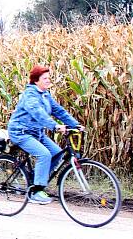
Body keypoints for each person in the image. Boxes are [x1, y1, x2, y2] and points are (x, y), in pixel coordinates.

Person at [7, 65, 82, 205]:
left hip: (36, 133)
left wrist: (75, 124)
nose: (48, 80)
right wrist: (55, 126)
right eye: (45, 78)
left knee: (58, 154)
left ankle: (35, 179)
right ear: (36, 81)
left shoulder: (45, 94)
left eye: (49, 78)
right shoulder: (30, 95)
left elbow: (58, 111)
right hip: (21, 132)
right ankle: (36, 191)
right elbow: (37, 113)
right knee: (44, 155)